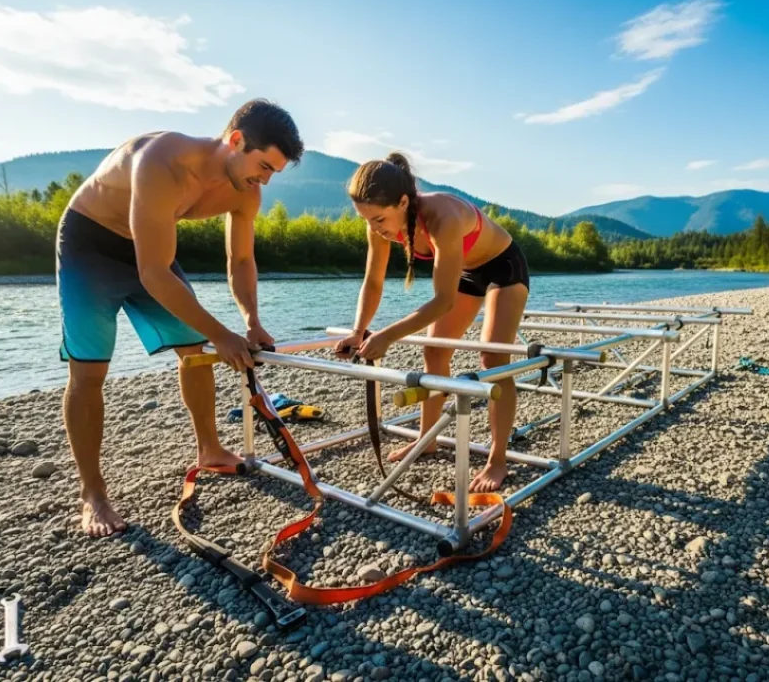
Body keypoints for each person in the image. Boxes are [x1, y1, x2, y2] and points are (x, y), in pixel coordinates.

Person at [56, 98, 304, 537]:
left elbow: (241, 260)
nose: (263, 180)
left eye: (273, 173)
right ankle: (92, 493)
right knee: (90, 370)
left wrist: (250, 320)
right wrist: (222, 334)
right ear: (235, 141)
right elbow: (153, 273)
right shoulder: (162, 161)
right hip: (91, 243)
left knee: (194, 350)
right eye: (263, 166)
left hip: (150, 245)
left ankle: (209, 448)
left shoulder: (246, 191)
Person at [335, 152, 530, 493]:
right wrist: (358, 330)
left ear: (404, 202)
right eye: (366, 220)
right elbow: (373, 281)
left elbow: (442, 301)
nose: (374, 228)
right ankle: (428, 439)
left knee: (493, 360)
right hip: (467, 273)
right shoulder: (379, 229)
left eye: (379, 219)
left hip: (503, 267)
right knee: (434, 350)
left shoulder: (441, 215)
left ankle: (497, 460)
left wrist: (388, 335)